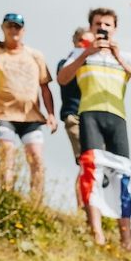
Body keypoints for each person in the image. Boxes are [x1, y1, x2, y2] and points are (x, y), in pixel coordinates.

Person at [58, 8, 131, 250]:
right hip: (90, 115)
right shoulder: (79, 52)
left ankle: (125, 239)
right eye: (98, 24)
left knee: (122, 175)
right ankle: (97, 233)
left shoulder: (127, 56)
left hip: (117, 118)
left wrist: (119, 58)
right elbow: (62, 78)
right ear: (91, 27)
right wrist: (86, 54)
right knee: (92, 171)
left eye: (107, 24)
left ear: (114, 29)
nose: (103, 28)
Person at [0, 15, 57, 202]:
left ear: (24, 30)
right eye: (10, 27)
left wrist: (51, 114)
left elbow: (45, 86)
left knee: (36, 158)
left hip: (31, 116)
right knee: (7, 154)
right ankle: (7, 196)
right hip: (3, 113)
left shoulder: (35, 55)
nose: (14, 31)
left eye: (17, 27)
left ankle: (36, 202)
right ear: (3, 28)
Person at [53, 27, 86, 163]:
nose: (82, 44)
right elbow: (63, 80)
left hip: (93, 116)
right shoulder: (65, 64)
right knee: (85, 159)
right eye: (80, 40)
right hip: (73, 115)